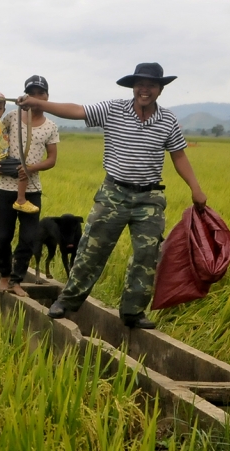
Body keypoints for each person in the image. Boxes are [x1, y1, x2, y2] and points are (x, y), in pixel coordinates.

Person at [19, 62, 207, 329]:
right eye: (140, 84)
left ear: (160, 90)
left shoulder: (168, 120)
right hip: (114, 193)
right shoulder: (114, 109)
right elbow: (78, 111)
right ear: (133, 87)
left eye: (151, 85)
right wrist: (40, 104)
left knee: (147, 254)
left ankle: (133, 311)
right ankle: (68, 300)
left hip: (149, 197)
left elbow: (178, 156)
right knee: (91, 250)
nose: (145, 90)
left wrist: (195, 188)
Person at [0, 76, 59, 295]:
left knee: (29, 238)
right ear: (25, 96)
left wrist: (31, 167)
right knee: (3, 235)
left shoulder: (51, 126)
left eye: (42, 93)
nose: (37, 97)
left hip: (32, 190)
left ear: (47, 97)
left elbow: (51, 160)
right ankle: (4, 275)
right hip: (6, 187)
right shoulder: (12, 117)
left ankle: (16, 279)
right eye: (32, 93)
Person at [0, 92, 38, 213]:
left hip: (6, 157)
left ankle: (20, 199)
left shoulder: (1, 123)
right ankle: (20, 201)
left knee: (25, 168)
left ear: (4, 110)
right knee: (25, 170)